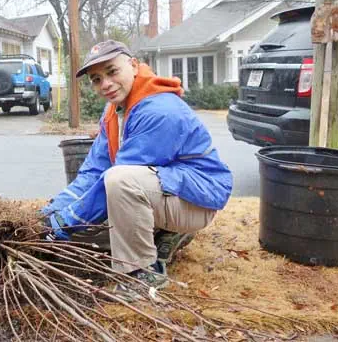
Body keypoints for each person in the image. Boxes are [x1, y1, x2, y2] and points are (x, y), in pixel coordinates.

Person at [41, 40, 233, 290]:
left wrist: (64, 223)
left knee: (120, 182)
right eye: (97, 79)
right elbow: (92, 172)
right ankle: (168, 233)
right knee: (111, 189)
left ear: (133, 65)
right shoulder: (115, 111)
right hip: (169, 191)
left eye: (112, 72)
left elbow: (114, 182)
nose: (105, 84)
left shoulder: (159, 111)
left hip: (197, 202)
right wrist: (49, 213)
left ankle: (142, 272)